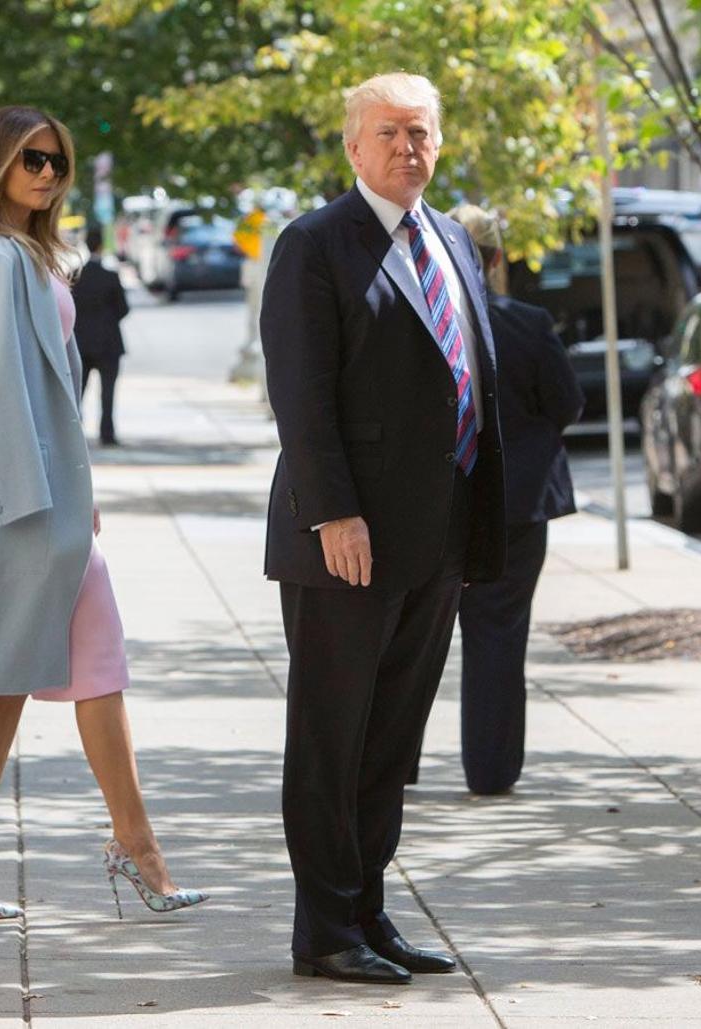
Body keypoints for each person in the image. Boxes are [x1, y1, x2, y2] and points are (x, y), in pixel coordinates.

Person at [0, 105, 205, 921]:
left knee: (65, 672)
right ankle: (130, 848)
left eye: (56, 162)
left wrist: (76, 501)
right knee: (52, 671)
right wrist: (40, 511)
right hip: (27, 513)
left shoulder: (24, 254)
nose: (48, 174)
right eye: (31, 161)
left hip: (53, 508)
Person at [260, 73, 506, 985]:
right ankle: (323, 929)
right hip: (346, 540)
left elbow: (462, 372)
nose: (409, 147)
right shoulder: (316, 245)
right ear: (354, 147)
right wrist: (334, 512)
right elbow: (301, 394)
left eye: (423, 131)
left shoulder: (450, 238)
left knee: (391, 740)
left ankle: (367, 909)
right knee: (332, 739)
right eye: (390, 132)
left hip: (435, 534)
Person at [447, 204, 584, 795]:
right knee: (499, 635)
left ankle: (391, 769)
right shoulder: (527, 323)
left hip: (436, 503)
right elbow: (568, 404)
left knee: (408, 639)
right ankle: (491, 770)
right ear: (498, 258)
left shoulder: (423, 324)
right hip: (516, 506)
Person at [72, 225, 129, 446]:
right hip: (108, 343)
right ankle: (107, 433)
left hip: (81, 343)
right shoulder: (111, 277)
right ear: (102, 246)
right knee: (108, 392)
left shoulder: (75, 276)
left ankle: (75, 433)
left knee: (78, 392)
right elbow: (123, 309)